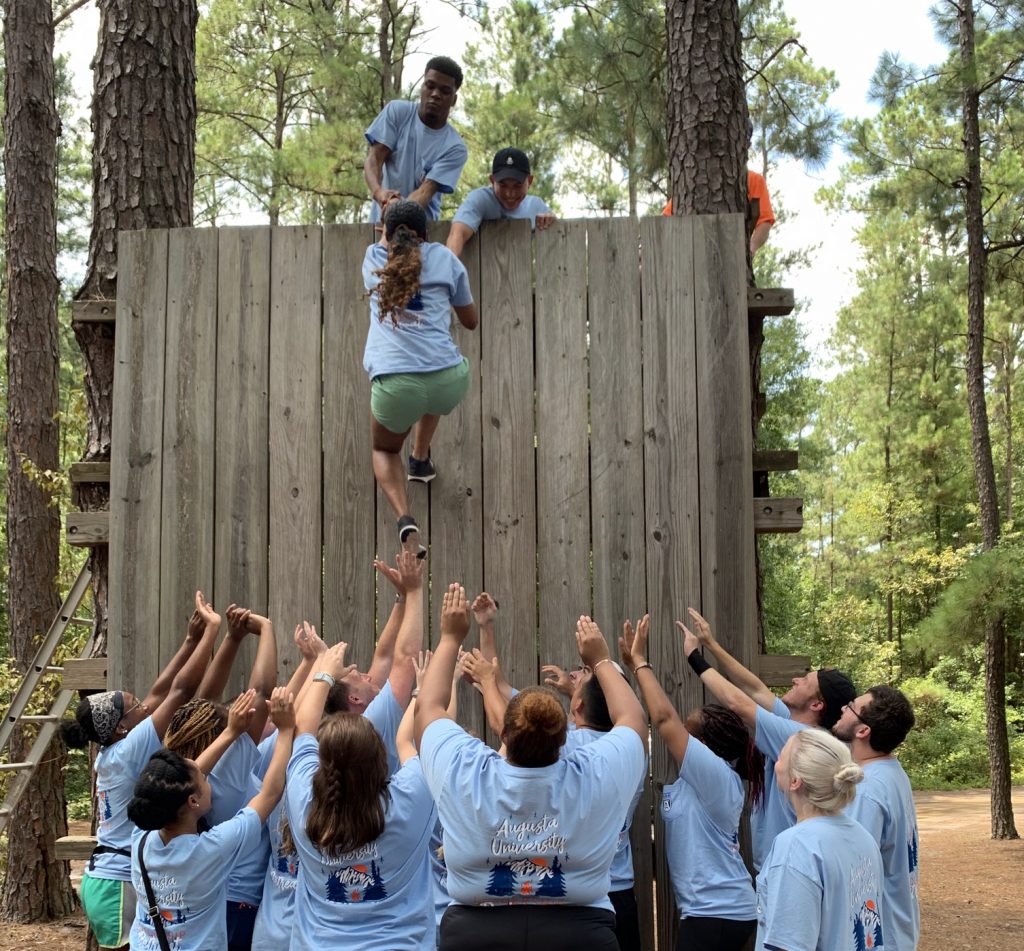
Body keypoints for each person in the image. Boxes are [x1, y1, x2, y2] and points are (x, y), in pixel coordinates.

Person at [416, 586, 647, 951]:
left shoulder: (466, 770)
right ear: (562, 741)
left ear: (503, 733)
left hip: (477, 933)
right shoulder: (596, 772)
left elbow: (427, 709)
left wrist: (449, 638)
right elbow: (633, 719)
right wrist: (601, 659)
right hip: (579, 933)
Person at [63, 591, 223, 951]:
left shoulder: (112, 750)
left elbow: (159, 691)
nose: (146, 706)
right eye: (136, 707)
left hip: (105, 877)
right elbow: (179, 692)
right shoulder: (127, 752)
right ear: (122, 726)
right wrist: (212, 631)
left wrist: (189, 642)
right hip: (117, 883)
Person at [621, 615, 765, 951]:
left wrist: (640, 663)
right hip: (710, 913)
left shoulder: (715, 775)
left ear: (707, 746)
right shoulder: (695, 780)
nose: (680, 739)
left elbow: (662, 718)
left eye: (690, 733)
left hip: (719, 914)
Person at [283, 641, 437, 950]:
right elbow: (425, 740)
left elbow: (302, 732)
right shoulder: (409, 799)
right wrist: (422, 692)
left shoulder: (304, 806)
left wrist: (324, 672)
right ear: (381, 758)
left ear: (321, 764)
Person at [679, 608, 855, 871]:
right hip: (783, 859)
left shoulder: (802, 737)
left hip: (787, 864)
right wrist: (711, 644)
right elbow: (754, 688)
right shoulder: (797, 725)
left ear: (817, 704)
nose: (795, 679)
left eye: (805, 681)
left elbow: (738, 702)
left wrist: (694, 657)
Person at [126, 687, 296, 951]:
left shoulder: (141, 839)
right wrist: (286, 731)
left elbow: (186, 779)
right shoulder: (211, 849)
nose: (208, 779)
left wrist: (231, 732)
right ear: (193, 801)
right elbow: (271, 793)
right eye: (204, 782)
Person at [362, 200, 478, 554]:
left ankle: (404, 517)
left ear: (384, 233)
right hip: (447, 379)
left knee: (383, 448)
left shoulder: (374, 260)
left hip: (395, 384)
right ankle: (421, 458)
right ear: (427, 235)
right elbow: (471, 320)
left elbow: (388, 245)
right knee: (432, 392)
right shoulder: (445, 259)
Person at [755, 729, 886, 951]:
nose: (776, 763)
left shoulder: (796, 847)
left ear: (796, 780)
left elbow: (788, 945)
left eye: (781, 757)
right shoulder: (862, 837)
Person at [833, 685, 920, 950]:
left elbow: (853, 871)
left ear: (862, 731)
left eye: (850, 707)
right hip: (897, 930)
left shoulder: (866, 790)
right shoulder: (891, 771)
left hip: (876, 938)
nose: (842, 708)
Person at [364, 56, 467, 223]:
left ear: (454, 99)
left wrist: (395, 211)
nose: (435, 94)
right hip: (379, 227)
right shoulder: (397, 112)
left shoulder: (455, 147)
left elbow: (426, 191)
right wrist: (379, 193)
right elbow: (375, 158)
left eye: (445, 91)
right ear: (422, 87)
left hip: (422, 233)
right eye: (430, 86)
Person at [446, 148, 556, 257]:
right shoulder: (480, 199)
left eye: (517, 185)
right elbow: (457, 234)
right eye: (503, 185)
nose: (510, 193)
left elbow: (558, 238)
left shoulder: (536, 206)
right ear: (492, 181)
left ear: (530, 181)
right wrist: (447, 270)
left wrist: (550, 220)